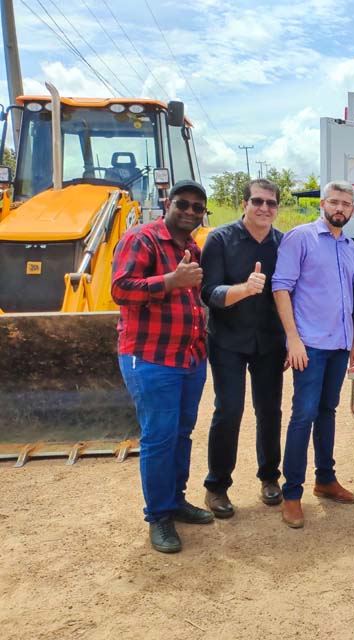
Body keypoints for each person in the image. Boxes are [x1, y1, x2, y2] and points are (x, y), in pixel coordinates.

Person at [112, 179, 214, 553]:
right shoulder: (142, 239)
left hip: (189, 357)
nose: (189, 212)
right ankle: (158, 517)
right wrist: (171, 280)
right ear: (167, 204)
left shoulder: (192, 247)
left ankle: (176, 501)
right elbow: (120, 289)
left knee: (182, 433)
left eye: (197, 208)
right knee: (158, 437)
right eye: (183, 205)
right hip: (152, 358)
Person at [272, 181, 354, 528]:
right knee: (303, 416)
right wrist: (292, 340)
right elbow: (281, 287)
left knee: (328, 413)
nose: (340, 208)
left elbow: (348, 301)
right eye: (335, 202)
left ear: (353, 210)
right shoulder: (301, 238)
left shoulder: (350, 247)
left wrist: (353, 343)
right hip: (309, 346)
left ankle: (325, 479)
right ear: (323, 203)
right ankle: (291, 494)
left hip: (339, 345)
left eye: (347, 204)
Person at [200, 179, 286, 518]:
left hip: (269, 342)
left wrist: (292, 337)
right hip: (227, 340)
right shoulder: (219, 239)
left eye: (271, 202)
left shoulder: (284, 243)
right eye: (258, 201)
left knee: (270, 411)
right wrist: (245, 290)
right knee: (229, 410)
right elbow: (209, 293)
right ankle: (217, 486)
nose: (264, 208)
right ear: (243, 203)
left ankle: (270, 479)